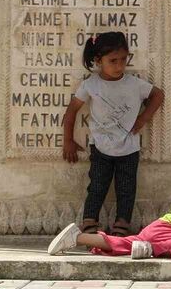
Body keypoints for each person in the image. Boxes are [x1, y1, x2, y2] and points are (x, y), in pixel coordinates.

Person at [48, 143, 171, 259]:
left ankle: (79, 237)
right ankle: (147, 248)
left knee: (127, 244)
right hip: (168, 231)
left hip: (165, 231)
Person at [62, 31, 164, 237]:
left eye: (123, 60)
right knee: (97, 185)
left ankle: (121, 225)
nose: (119, 66)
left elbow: (157, 94)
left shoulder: (134, 83)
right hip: (100, 147)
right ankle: (89, 222)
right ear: (99, 60)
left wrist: (143, 118)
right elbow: (71, 111)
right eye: (113, 61)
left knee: (126, 189)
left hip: (129, 148)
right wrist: (68, 141)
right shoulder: (91, 85)